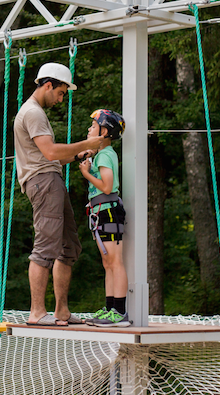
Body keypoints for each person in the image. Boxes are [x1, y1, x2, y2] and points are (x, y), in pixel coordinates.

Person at [15, 62, 110, 327]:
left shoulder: (35, 113)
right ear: (48, 85)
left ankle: (62, 312)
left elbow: (50, 157)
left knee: (69, 247)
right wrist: (89, 143)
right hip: (44, 184)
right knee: (46, 247)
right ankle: (37, 313)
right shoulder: (33, 113)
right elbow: (51, 153)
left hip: (50, 179)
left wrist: (78, 154)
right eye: (61, 93)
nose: (61, 99)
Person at [79, 109, 131, 328]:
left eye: (93, 126)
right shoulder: (100, 154)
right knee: (107, 261)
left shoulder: (105, 155)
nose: (89, 129)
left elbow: (108, 186)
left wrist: (87, 174)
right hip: (102, 212)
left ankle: (119, 311)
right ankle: (110, 308)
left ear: (104, 132)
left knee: (115, 261)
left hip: (108, 211)